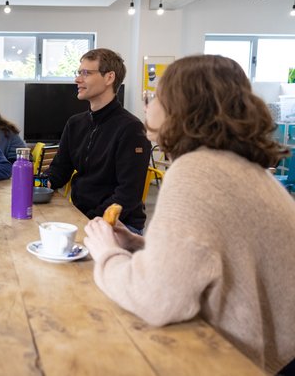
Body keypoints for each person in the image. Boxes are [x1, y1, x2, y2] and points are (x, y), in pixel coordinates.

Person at [83, 55, 295, 375]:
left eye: (153, 97)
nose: (147, 106)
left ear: (179, 108)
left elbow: (155, 299)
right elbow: (211, 256)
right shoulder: (235, 165)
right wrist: (140, 245)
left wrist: (106, 253)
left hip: (251, 362)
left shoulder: (195, 171)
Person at [47, 48, 151, 233]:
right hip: (82, 216)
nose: (77, 79)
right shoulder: (75, 123)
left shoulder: (131, 129)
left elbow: (127, 195)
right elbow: (59, 171)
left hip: (120, 225)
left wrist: (85, 220)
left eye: (86, 73)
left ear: (109, 77)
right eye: (79, 73)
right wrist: (35, 185)